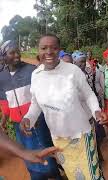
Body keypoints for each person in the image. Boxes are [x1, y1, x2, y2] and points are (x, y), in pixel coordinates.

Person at [20, 34, 107, 180]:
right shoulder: (36, 75)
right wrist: (28, 117)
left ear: (59, 50)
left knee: (92, 176)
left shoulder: (72, 71)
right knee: (74, 175)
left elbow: (88, 94)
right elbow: (36, 104)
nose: (49, 52)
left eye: (53, 48)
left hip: (81, 135)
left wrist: (96, 110)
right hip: (59, 139)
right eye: (44, 48)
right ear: (38, 51)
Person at [0, 40, 61, 179]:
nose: (17, 55)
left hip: (38, 121)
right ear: (4, 56)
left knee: (46, 150)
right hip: (18, 125)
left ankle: (55, 175)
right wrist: (4, 120)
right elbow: (5, 103)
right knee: (27, 153)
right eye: (12, 52)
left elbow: (45, 96)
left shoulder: (32, 70)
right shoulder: (1, 78)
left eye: (18, 51)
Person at [72, 50, 106, 162]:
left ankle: (98, 153)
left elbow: (92, 88)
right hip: (80, 109)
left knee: (96, 131)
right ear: (74, 62)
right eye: (79, 62)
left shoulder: (88, 71)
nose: (82, 64)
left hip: (91, 104)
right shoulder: (71, 75)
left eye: (83, 61)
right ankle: (91, 156)